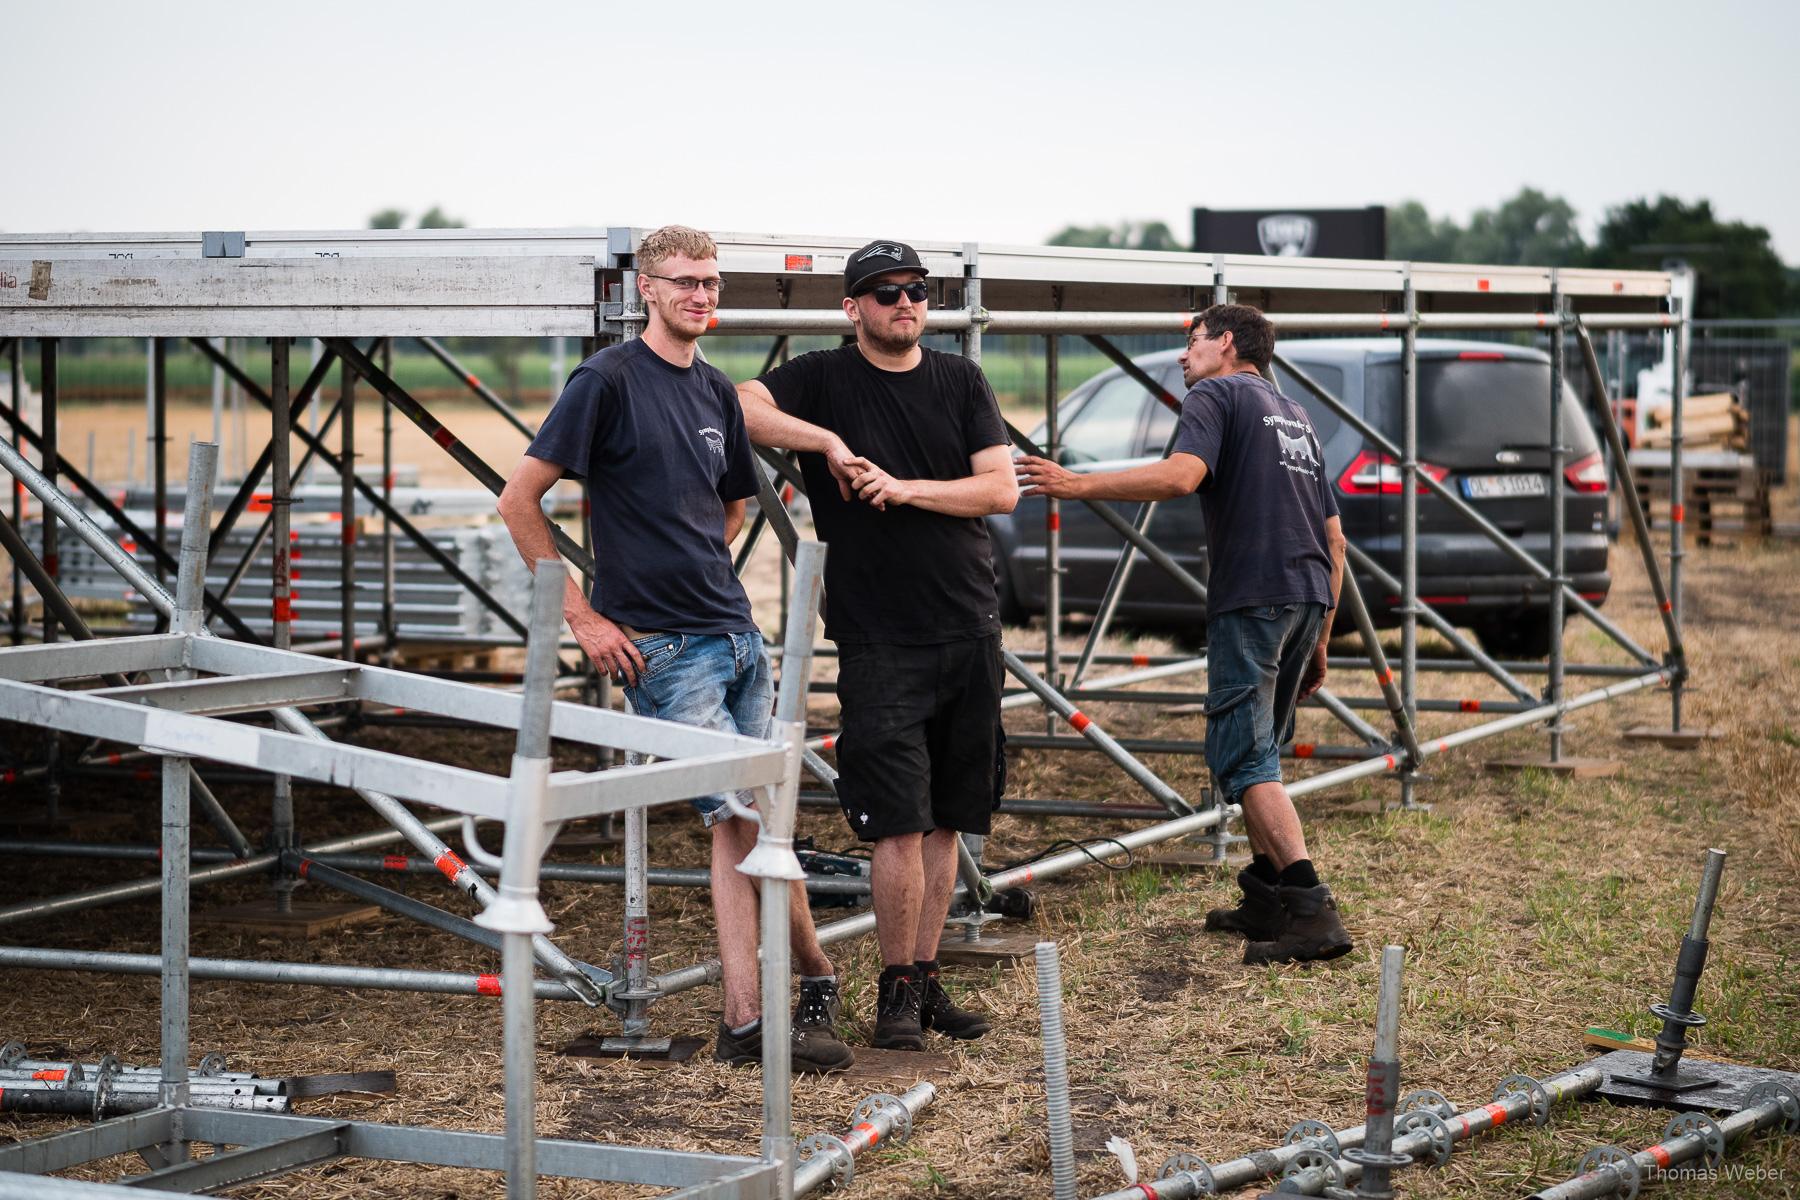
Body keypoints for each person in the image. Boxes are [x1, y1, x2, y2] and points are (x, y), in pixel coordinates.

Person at [496, 224, 852, 1071]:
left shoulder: (718, 392)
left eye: (713, 284)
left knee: (755, 818)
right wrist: (583, 617)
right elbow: (520, 501)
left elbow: (730, 502)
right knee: (739, 819)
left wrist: (700, 564)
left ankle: (782, 1001)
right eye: (685, 282)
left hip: (735, 635)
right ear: (646, 290)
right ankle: (771, 1003)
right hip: (662, 648)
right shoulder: (607, 382)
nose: (702, 296)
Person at [735, 239, 1018, 1049]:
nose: (906, 303)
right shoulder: (822, 376)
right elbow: (741, 404)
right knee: (898, 819)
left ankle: (923, 982)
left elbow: (998, 488)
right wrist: (823, 443)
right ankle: (893, 993)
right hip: (877, 636)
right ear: (853, 307)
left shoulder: (961, 380)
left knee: (948, 821)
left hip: (968, 624)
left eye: (917, 291)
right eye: (886, 291)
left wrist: (905, 488)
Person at [1014, 303, 1353, 965]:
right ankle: (1265, 897)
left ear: (1226, 343)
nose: (1183, 356)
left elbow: (1181, 475)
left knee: (1245, 759)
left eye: (1193, 342)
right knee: (1262, 753)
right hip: (1308, 592)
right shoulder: (1296, 416)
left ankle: (1312, 910)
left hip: (1253, 596)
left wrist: (1075, 483)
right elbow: (1335, 536)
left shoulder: (1216, 394)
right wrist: (1321, 637)